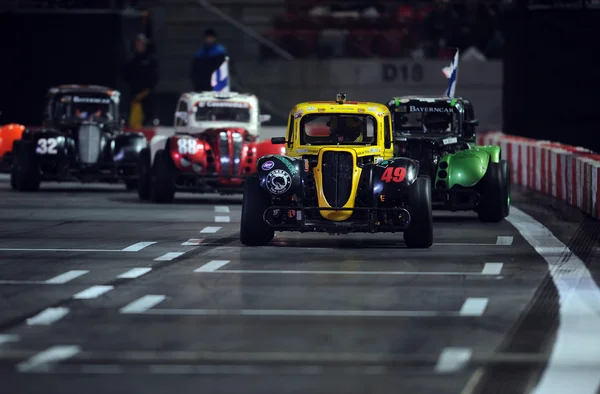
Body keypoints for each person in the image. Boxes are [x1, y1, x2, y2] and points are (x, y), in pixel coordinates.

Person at [123, 33, 159, 128]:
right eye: (137, 43)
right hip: (134, 92)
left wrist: (149, 88)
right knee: (133, 118)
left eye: (141, 43)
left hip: (146, 93)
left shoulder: (150, 59)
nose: (139, 45)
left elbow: (155, 75)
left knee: (148, 115)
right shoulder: (132, 59)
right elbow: (125, 73)